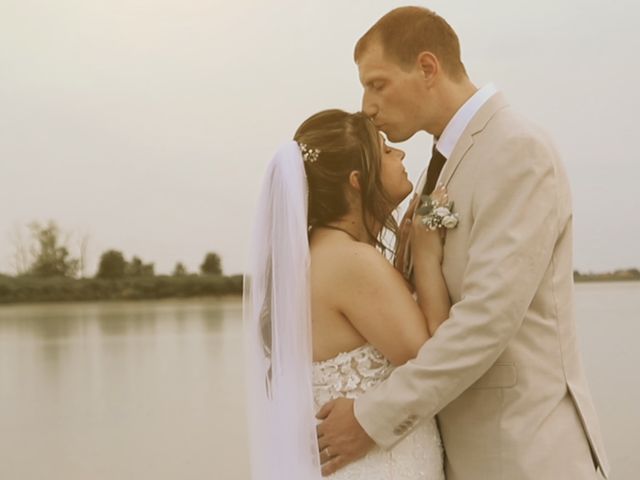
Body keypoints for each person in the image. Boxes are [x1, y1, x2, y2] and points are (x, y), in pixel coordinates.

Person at [315, 7, 610, 480]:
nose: (367, 105)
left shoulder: (515, 149)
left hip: (524, 457)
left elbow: (486, 321)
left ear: (427, 68)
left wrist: (372, 419)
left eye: (377, 83)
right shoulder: (440, 165)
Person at [244, 109, 450, 479]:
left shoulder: (320, 254)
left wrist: (405, 261)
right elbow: (435, 357)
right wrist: (427, 252)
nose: (401, 155)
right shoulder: (351, 260)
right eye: (387, 151)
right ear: (357, 181)